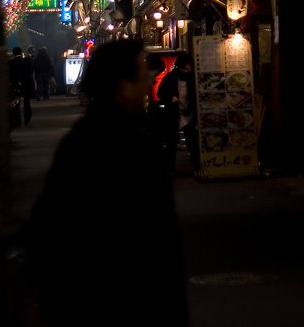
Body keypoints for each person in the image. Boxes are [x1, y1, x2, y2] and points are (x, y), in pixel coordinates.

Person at [21, 38, 189, 327]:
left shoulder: (80, 140)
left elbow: (45, 223)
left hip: (81, 300)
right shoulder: (133, 144)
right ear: (122, 85)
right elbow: (158, 235)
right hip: (128, 298)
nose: (148, 80)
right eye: (141, 73)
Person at [157, 52, 200, 174]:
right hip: (173, 114)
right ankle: (171, 170)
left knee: (192, 142)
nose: (188, 70)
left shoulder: (193, 78)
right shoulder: (171, 77)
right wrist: (171, 98)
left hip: (189, 114)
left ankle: (198, 167)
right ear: (180, 66)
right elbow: (160, 93)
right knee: (171, 143)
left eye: (189, 68)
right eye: (185, 68)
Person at [9, 46, 36, 126]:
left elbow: (10, 75)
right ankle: (27, 118)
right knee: (27, 102)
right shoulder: (27, 61)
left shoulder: (11, 62)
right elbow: (31, 73)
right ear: (21, 53)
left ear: (13, 53)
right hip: (27, 84)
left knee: (16, 103)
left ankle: (18, 120)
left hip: (16, 85)